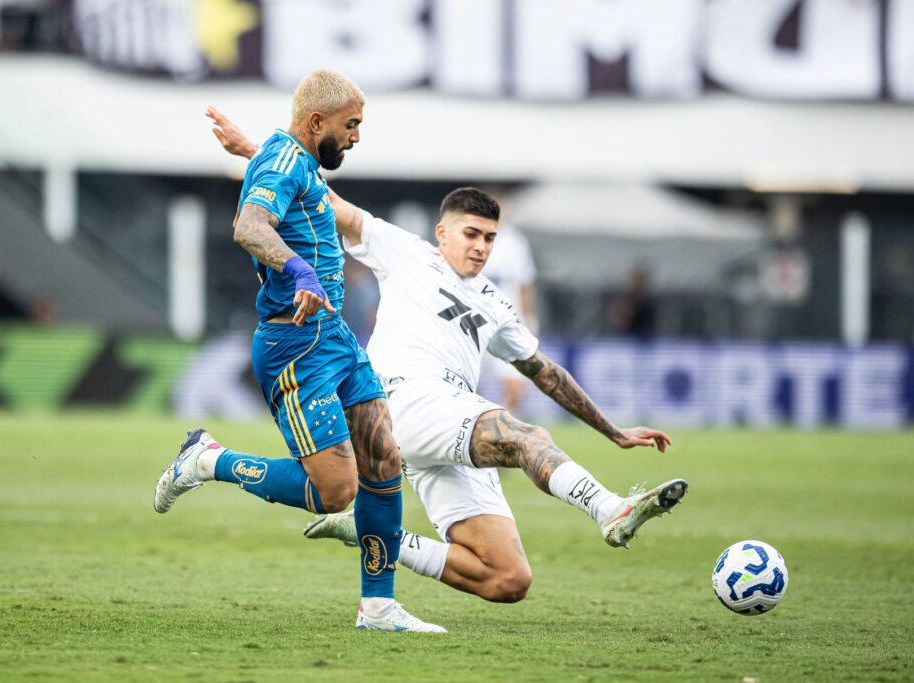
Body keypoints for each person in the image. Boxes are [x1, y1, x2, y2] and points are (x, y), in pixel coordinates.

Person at [210, 112, 687, 605]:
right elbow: (323, 199)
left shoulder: (497, 304)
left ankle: (373, 532)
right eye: (471, 234)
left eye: (489, 239)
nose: (480, 247)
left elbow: (545, 373)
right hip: (404, 399)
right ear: (442, 232)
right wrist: (254, 152)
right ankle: (609, 509)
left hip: (446, 416)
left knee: (507, 579)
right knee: (525, 437)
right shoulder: (406, 250)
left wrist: (613, 431)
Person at [152, 70, 444, 633]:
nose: (356, 136)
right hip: (295, 344)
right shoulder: (285, 161)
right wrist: (300, 270)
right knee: (336, 492)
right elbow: (249, 226)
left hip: (333, 335)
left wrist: (250, 150)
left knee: (384, 459)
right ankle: (208, 460)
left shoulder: (294, 159)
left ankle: (378, 608)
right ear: (316, 122)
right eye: (350, 125)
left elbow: (288, 181)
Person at [478, 205, 538, 415]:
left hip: (507, 322)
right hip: (476, 322)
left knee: (515, 388)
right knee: (470, 386)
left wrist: (530, 320)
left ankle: (505, 424)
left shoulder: (515, 241)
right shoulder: (472, 238)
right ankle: (472, 427)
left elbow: (525, 283)